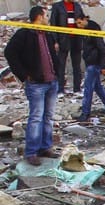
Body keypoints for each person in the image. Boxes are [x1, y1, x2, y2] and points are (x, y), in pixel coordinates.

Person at [4, 6, 60, 166]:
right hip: (36, 84)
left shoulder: (47, 34)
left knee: (48, 117)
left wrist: (57, 72)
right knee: (36, 117)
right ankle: (32, 152)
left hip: (51, 81)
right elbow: (10, 53)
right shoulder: (24, 34)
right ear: (39, 17)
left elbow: (52, 55)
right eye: (46, 15)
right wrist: (24, 74)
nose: (48, 18)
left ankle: (45, 147)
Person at [76, 10, 105, 122]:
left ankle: (85, 113)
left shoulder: (93, 30)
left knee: (88, 88)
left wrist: (104, 66)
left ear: (85, 19)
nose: (78, 26)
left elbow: (102, 48)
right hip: (91, 61)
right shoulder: (86, 30)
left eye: (79, 22)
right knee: (97, 87)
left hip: (94, 63)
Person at [48, 0, 84, 94]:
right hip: (63, 39)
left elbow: (83, 19)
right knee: (61, 65)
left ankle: (77, 88)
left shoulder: (77, 6)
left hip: (76, 39)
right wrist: (55, 41)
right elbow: (53, 24)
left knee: (77, 65)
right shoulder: (57, 6)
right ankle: (60, 89)